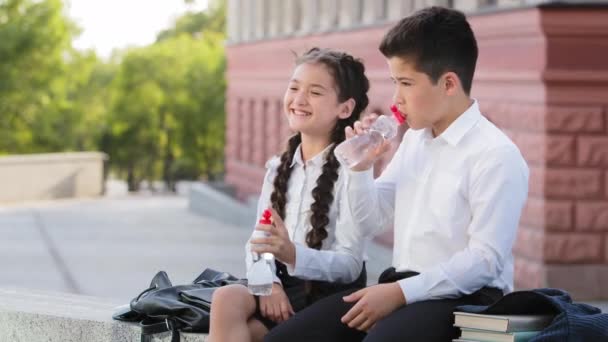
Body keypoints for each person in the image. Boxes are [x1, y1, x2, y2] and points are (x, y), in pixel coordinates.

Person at [264, 6, 530, 342]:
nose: (395, 98)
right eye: (394, 82)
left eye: (405, 83)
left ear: (448, 83)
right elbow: (370, 222)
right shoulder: (416, 141)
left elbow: (484, 261)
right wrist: (361, 168)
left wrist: (401, 293)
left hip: (465, 300)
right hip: (400, 285)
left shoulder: (495, 154)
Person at [207, 47, 371, 342]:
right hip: (282, 290)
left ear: (344, 109)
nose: (299, 99)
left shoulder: (353, 171)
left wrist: (293, 254)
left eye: (315, 92)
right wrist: (268, 283)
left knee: (256, 335)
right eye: (294, 87)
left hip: (329, 299)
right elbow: (258, 242)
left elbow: (350, 265)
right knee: (226, 297)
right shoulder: (277, 169)